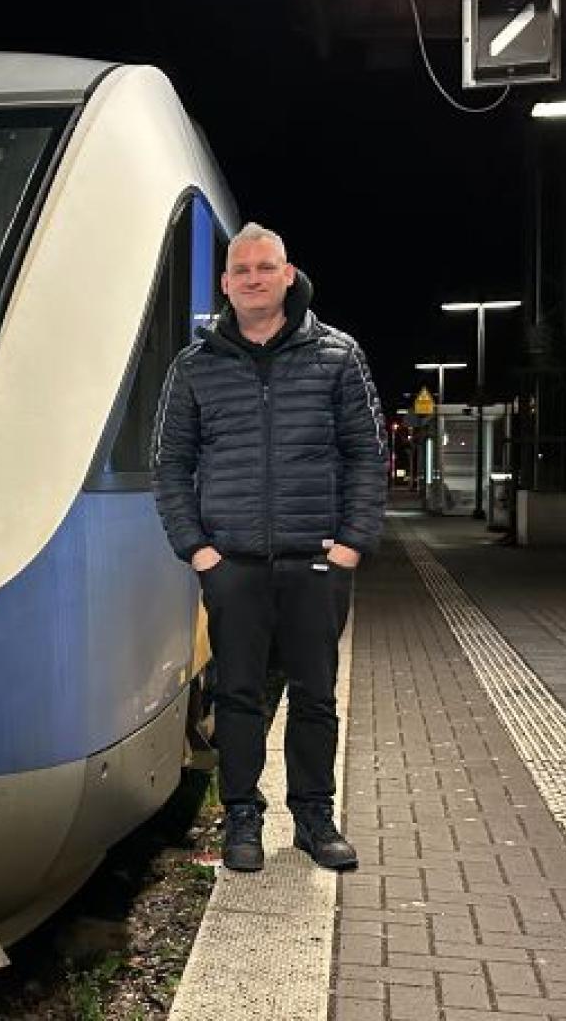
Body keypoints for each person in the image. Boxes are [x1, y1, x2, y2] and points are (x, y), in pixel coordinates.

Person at [154, 222, 386, 873]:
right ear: (226, 284)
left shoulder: (337, 356)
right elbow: (169, 465)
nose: (253, 278)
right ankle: (243, 819)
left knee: (315, 694)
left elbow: (367, 456)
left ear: (289, 275)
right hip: (233, 565)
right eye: (241, 270)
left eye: (266, 267)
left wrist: (349, 548)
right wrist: (199, 552)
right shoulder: (194, 368)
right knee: (237, 696)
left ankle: (314, 818)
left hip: (316, 561)